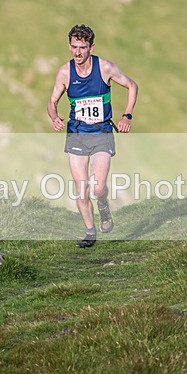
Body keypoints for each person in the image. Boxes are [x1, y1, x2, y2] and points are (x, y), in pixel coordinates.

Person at [47, 24, 138, 248]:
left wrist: (127, 116)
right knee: (82, 189)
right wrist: (54, 117)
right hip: (77, 134)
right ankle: (90, 232)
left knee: (98, 188)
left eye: (82, 47)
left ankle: (104, 205)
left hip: (101, 134)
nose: (77, 52)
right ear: (69, 46)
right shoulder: (65, 72)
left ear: (91, 47)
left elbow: (132, 86)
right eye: (73, 47)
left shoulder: (105, 67)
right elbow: (52, 102)